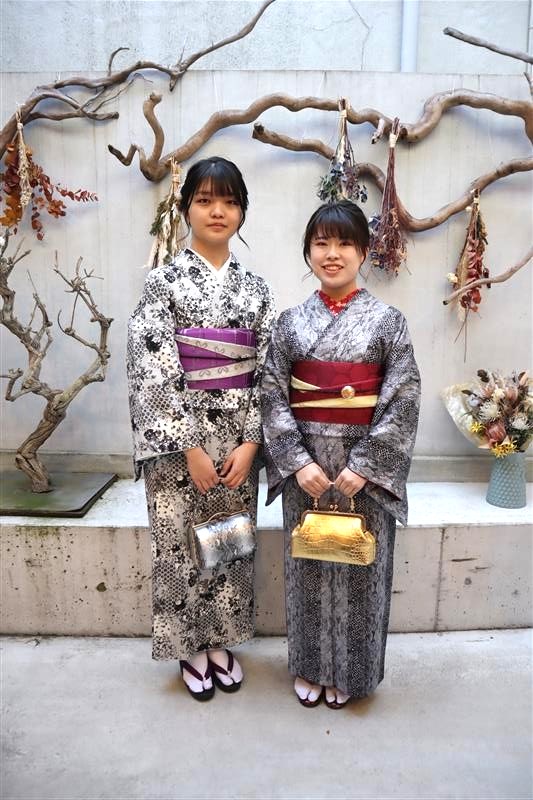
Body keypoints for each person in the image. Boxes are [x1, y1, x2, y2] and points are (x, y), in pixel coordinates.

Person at [261, 200, 420, 709]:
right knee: (308, 565)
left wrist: (366, 467)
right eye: (321, 243)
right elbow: (272, 393)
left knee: (360, 569)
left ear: (364, 252)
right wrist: (295, 461)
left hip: (362, 472)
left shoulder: (388, 322)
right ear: (308, 252)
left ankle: (352, 671)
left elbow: (403, 397)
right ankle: (311, 666)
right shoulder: (289, 324)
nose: (333, 254)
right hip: (306, 469)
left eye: (345, 243)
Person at [127, 156, 276, 701]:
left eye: (230, 202)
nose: (218, 211)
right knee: (178, 545)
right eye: (206, 200)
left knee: (230, 541)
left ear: (242, 212)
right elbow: (151, 364)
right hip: (178, 442)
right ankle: (188, 646)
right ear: (186, 207)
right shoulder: (163, 282)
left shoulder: (256, 289)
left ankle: (222, 640)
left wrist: (252, 441)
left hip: (237, 440)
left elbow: (269, 368)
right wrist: (188, 445)